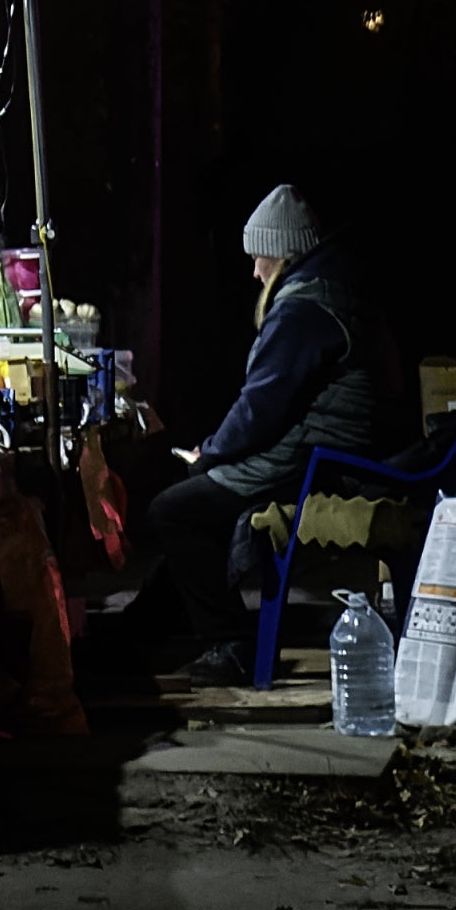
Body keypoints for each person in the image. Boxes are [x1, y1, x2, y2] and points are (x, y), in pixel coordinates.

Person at [152, 182, 398, 685]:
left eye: (261, 257)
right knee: (196, 504)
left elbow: (262, 406)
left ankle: (231, 643)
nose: (255, 270)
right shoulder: (327, 289)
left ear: (284, 256)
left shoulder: (304, 308)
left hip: (316, 462)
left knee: (174, 510)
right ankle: (153, 622)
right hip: (324, 451)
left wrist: (211, 453)